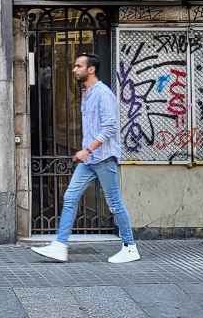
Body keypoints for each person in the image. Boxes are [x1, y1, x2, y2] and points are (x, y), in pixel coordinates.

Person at [31, 53, 140, 264]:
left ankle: (130, 246)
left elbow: (110, 127)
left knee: (115, 204)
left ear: (91, 70)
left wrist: (87, 150)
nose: (74, 69)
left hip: (103, 158)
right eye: (74, 66)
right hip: (89, 161)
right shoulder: (87, 93)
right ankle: (60, 246)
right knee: (70, 197)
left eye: (79, 66)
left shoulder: (103, 94)